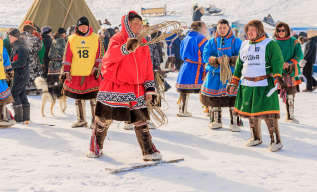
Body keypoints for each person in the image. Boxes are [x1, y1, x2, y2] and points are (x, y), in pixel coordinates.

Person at [86, 11, 162, 161]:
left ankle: (147, 151)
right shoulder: (117, 38)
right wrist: (127, 47)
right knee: (103, 119)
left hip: (137, 88)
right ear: (128, 24)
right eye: (136, 24)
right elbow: (109, 58)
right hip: (115, 85)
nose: (139, 27)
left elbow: (148, 67)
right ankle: (96, 147)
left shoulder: (144, 43)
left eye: (141, 24)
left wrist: (149, 88)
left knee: (141, 120)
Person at [229, 20, 286, 152]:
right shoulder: (244, 45)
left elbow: (277, 61)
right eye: (248, 30)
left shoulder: (270, 44)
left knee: (268, 113)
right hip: (247, 84)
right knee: (251, 112)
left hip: (264, 84)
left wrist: (278, 78)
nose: (250, 32)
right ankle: (256, 137)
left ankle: (276, 140)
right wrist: (234, 82)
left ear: (260, 30)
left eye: (253, 30)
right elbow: (239, 65)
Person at [200, 19, 242, 131]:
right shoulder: (212, 41)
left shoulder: (236, 41)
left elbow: (241, 55)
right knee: (214, 99)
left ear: (229, 28)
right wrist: (214, 60)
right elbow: (205, 55)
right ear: (217, 29)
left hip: (232, 74)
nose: (222, 30)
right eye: (220, 28)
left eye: (224, 28)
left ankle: (235, 122)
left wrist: (231, 59)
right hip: (215, 74)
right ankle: (216, 120)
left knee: (233, 98)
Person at [61, 16, 103, 128]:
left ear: (88, 26)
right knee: (78, 97)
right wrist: (67, 71)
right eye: (81, 26)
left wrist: (95, 67)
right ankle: (81, 120)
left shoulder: (96, 38)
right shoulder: (72, 39)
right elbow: (67, 56)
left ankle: (95, 121)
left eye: (85, 26)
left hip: (91, 73)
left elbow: (100, 54)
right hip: (76, 72)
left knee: (93, 97)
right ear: (77, 27)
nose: (83, 28)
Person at [175, 21, 208, 117]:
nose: (206, 29)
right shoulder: (202, 38)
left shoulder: (186, 38)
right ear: (200, 28)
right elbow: (206, 54)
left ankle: (182, 110)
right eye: (205, 27)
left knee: (184, 91)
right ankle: (209, 111)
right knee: (206, 89)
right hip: (199, 68)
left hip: (186, 66)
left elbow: (181, 54)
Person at [274, 22, 304, 124]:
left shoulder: (294, 41)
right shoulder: (272, 43)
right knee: (272, 95)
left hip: (289, 72)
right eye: (279, 30)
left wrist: (290, 63)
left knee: (290, 95)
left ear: (287, 31)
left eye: (283, 30)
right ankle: (272, 116)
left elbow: (299, 54)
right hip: (276, 73)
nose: (281, 32)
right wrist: (279, 64)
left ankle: (290, 117)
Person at [9, 28, 31, 123]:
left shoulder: (20, 47)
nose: (9, 38)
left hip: (21, 75)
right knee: (22, 95)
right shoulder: (16, 47)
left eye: (10, 36)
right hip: (21, 74)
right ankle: (25, 118)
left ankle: (18, 117)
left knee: (14, 94)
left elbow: (22, 62)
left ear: (15, 37)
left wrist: (9, 65)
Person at [21, 24, 43, 94]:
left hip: (22, 60)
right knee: (35, 72)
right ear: (31, 30)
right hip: (33, 60)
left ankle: (24, 87)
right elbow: (40, 48)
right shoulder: (36, 39)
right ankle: (36, 88)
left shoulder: (18, 38)